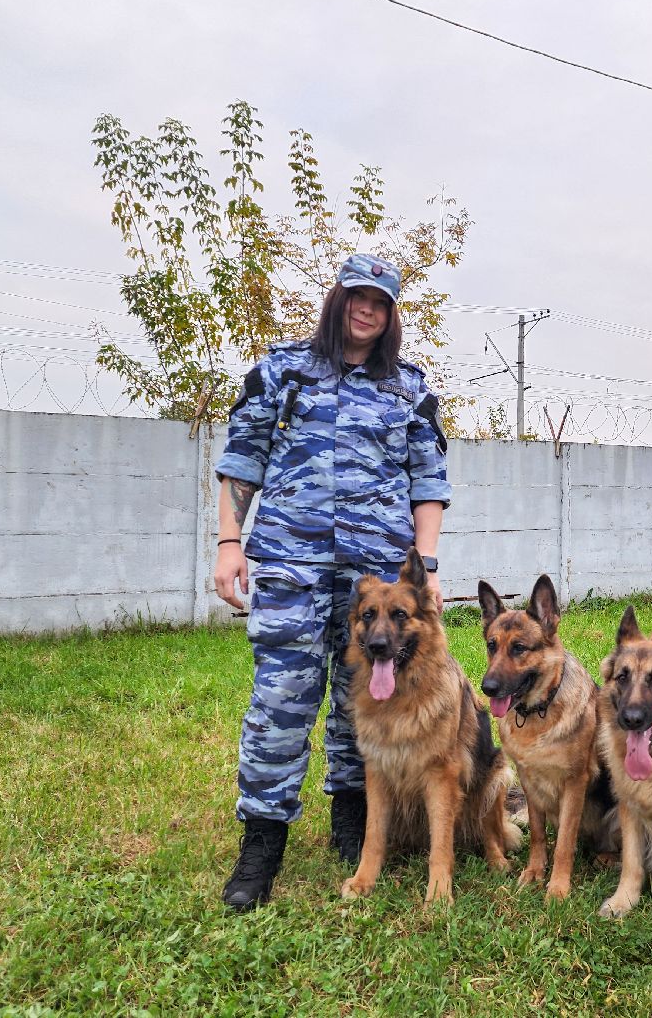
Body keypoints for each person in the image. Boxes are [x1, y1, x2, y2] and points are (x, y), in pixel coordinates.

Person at [212, 253, 451, 912]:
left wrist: (425, 567)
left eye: (381, 301)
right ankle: (262, 841)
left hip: (377, 575)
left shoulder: (409, 388)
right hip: (290, 559)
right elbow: (242, 459)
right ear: (338, 300)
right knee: (281, 699)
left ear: (391, 314)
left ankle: (353, 823)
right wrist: (230, 542)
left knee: (366, 699)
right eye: (358, 297)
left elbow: (428, 481)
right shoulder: (280, 370)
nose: (368, 310)